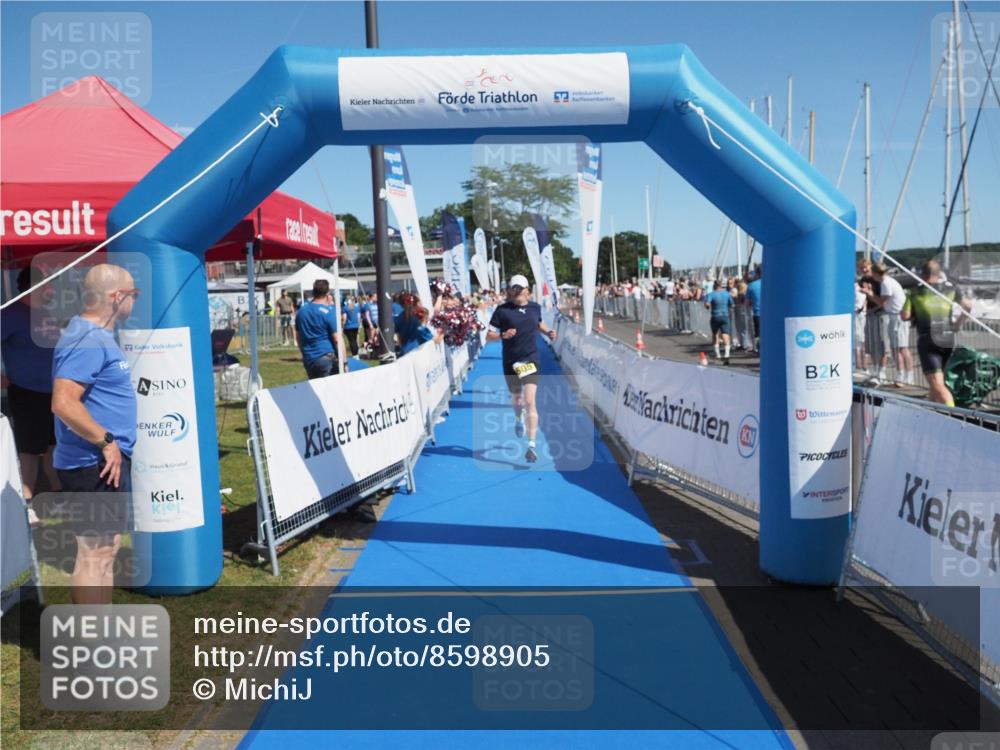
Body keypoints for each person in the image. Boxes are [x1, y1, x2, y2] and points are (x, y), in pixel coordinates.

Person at [50, 264, 138, 604]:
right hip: (92, 462)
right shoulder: (85, 339)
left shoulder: (96, 336)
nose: (135, 301)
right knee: (93, 552)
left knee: (107, 548)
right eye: (133, 295)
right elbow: (63, 402)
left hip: (103, 462)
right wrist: (106, 441)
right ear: (116, 297)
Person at [1, 266, 62, 525]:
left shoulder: (45, 314)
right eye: (47, 285)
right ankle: (26, 506)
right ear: (33, 287)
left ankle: (58, 499)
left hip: (54, 392)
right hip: (27, 393)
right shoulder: (11, 314)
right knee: (29, 451)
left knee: (52, 448)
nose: (51, 291)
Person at [486, 274, 557, 464]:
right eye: (513, 289)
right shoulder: (502, 311)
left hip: (530, 359)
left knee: (529, 400)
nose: (516, 292)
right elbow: (488, 336)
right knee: (517, 399)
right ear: (509, 290)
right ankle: (518, 419)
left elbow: (538, 322)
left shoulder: (535, 307)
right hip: (511, 361)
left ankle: (531, 446)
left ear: (527, 291)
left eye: (519, 289)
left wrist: (547, 331)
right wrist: (502, 335)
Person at [901, 259, 972, 406]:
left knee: (938, 384)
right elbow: (968, 306)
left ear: (923, 273)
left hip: (929, 339)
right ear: (939, 273)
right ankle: (932, 412)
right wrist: (958, 324)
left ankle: (953, 416)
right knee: (937, 383)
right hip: (948, 338)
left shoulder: (915, 291)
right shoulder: (951, 288)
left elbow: (905, 316)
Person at [295, 280, 347, 379]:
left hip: (309, 358)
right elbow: (337, 339)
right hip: (326, 357)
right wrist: (344, 362)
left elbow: (298, 337)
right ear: (328, 294)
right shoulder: (328, 312)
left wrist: (304, 352)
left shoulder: (301, 312)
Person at [868, 263, 908, 386]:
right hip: (895, 316)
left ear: (875, 273)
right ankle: (902, 376)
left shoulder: (886, 283)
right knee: (897, 348)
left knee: (897, 348)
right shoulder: (888, 281)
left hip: (896, 316)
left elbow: (881, 302)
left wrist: (869, 293)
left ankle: (901, 376)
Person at [704, 280, 734, 364]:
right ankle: (727, 354)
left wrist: (707, 306)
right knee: (725, 334)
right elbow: (732, 304)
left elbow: (707, 304)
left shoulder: (711, 294)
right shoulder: (727, 294)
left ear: (714, 286)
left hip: (715, 316)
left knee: (715, 334)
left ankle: (718, 354)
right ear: (721, 286)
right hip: (725, 315)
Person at [745, 267, 762, 353]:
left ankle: (759, 349)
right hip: (771, 314)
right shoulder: (772, 283)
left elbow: (747, 303)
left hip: (757, 312)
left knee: (758, 332)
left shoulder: (751, 286)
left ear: (757, 274)